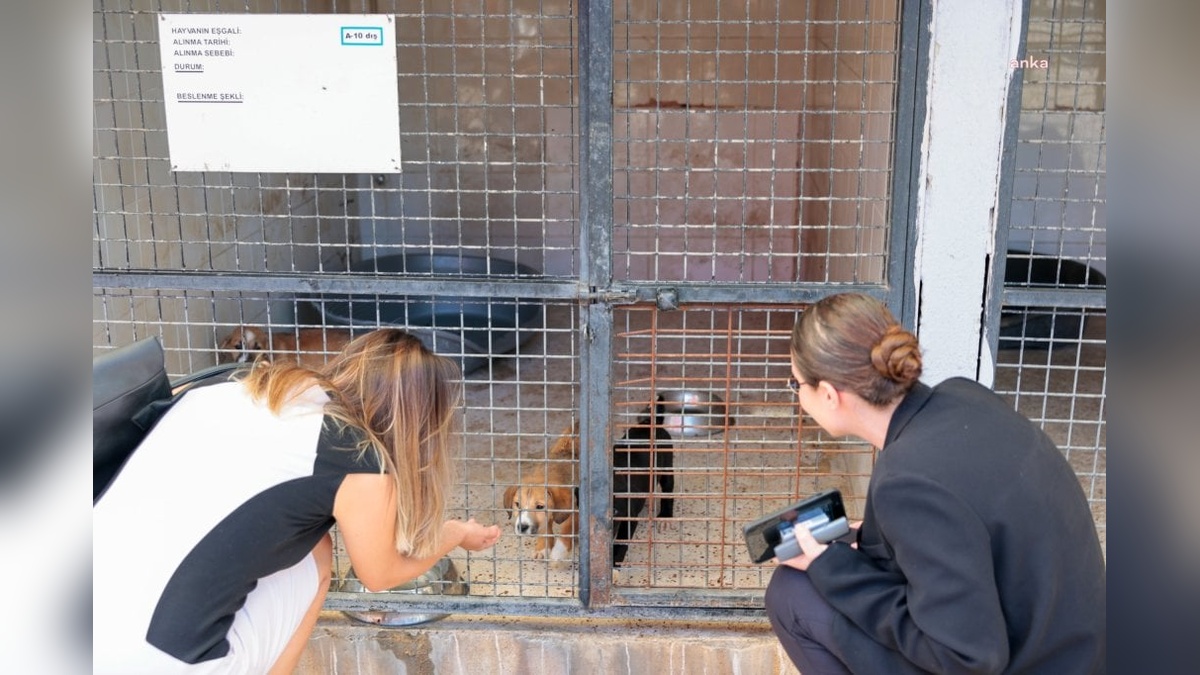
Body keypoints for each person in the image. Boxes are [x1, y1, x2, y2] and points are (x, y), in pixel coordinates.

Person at [94, 329, 501, 674]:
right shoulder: (356, 455)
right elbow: (380, 575)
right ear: (416, 420)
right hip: (158, 659)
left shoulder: (241, 385)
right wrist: (454, 533)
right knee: (317, 554)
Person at [765, 293, 1106, 674]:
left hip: (1009, 661)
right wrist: (872, 541)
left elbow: (966, 660)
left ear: (828, 394)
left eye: (796, 385)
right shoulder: (964, 398)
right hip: (1073, 653)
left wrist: (834, 569)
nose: (798, 397)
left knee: (792, 595)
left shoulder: (908, 482)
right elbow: (964, 528)